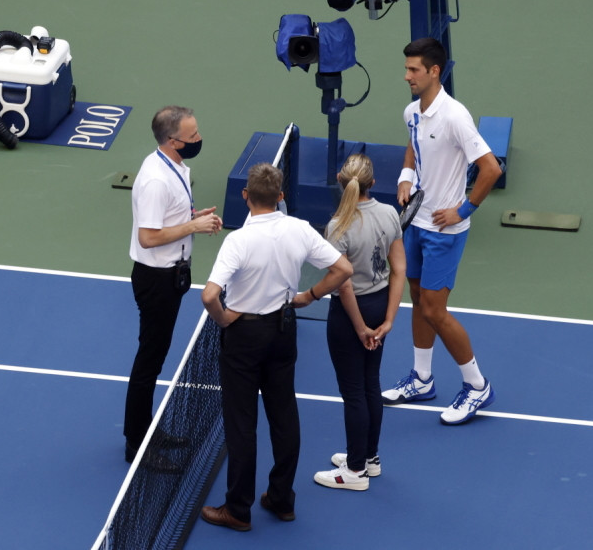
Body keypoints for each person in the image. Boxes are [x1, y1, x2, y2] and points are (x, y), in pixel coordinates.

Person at [200, 163, 352, 532]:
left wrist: (223, 320)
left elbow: (209, 296)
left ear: (245, 196)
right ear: (281, 196)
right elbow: (343, 269)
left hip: (243, 338)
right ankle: (281, 499)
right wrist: (309, 296)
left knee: (242, 424)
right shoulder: (298, 229)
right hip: (283, 331)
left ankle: (238, 510)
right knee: (284, 416)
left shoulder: (237, 241)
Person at [382, 37, 502, 425]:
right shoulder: (412, 112)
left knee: (434, 308)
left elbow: (490, 169)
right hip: (416, 220)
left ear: (434, 71)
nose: (407, 76)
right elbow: (413, 148)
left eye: (414, 70)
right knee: (417, 299)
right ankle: (421, 378)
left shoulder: (455, 116)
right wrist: (405, 177)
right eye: (406, 69)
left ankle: (477, 385)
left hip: (443, 231)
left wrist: (463, 210)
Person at [123, 106, 222, 466]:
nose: (198, 140)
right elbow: (148, 237)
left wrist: (193, 219)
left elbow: (166, 220)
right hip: (157, 281)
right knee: (149, 361)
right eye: (192, 136)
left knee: (155, 358)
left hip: (172, 276)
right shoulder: (155, 180)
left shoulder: (174, 167)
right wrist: (192, 228)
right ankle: (137, 443)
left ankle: (147, 429)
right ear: (172, 140)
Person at [312, 153, 404, 492]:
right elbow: (399, 270)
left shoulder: (337, 226)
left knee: (353, 392)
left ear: (340, 179)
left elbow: (343, 284)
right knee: (370, 385)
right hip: (380, 305)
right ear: (373, 183)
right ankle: (369, 458)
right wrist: (389, 319)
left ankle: (354, 472)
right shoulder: (390, 213)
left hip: (350, 313)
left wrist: (360, 327)